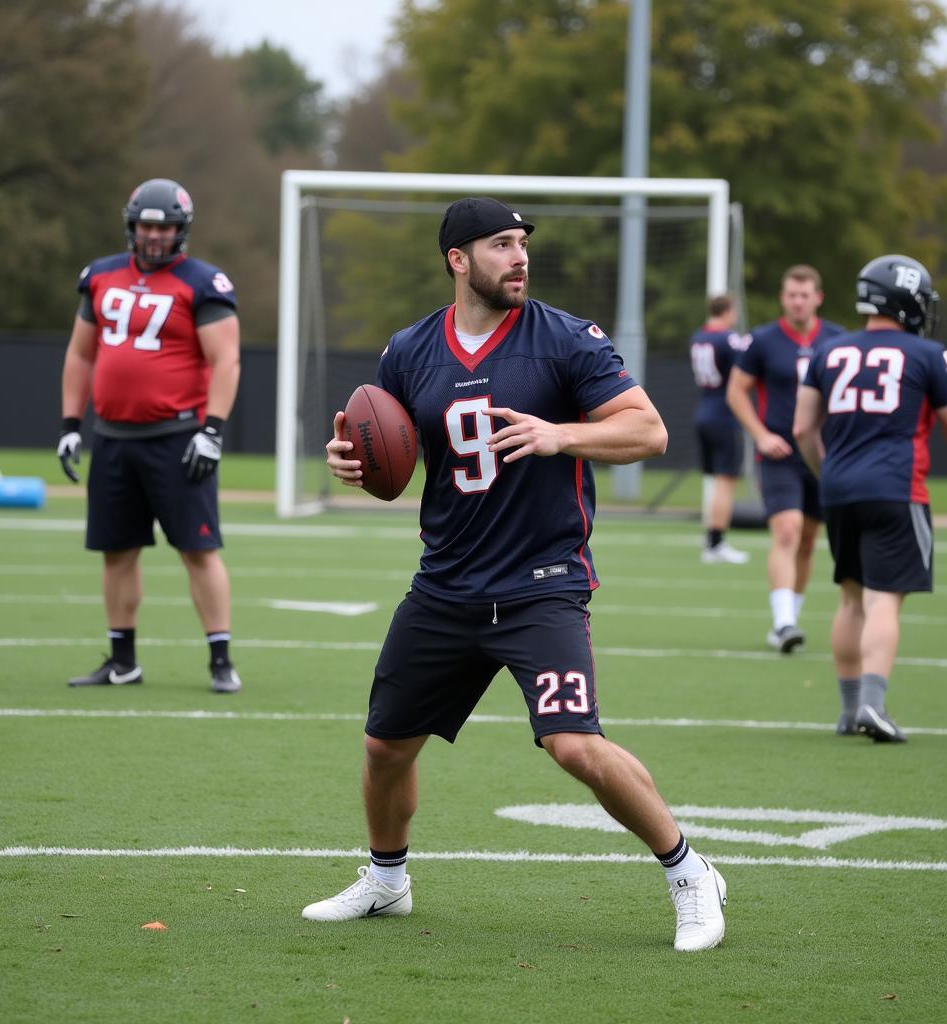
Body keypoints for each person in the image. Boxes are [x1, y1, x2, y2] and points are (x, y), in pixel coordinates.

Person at [301, 197, 727, 952]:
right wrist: (353, 465)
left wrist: (562, 433)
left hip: (541, 581)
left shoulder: (565, 338)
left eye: (523, 243)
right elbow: (392, 457)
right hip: (446, 583)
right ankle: (387, 880)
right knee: (385, 747)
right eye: (501, 244)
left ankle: (689, 871)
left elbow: (650, 430)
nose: (520, 256)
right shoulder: (409, 350)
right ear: (457, 260)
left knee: (573, 744)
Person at [57, 178, 243, 694]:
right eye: (146, 225)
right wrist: (72, 425)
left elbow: (225, 359)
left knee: (198, 549)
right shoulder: (100, 276)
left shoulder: (203, 283)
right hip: (113, 437)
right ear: (131, 225)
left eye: (163, 226)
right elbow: (80, 353)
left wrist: (211, 431)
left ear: (180, 229)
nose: (154, 235)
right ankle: (122, 661)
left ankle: (220, 659)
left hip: (177, 436)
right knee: (117, 551)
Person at [793, 254, 947, 741]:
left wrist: (828, 473)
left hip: (838, 487)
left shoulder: (828, 351)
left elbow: (801, 428)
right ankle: (874, 706)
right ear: (905, 301)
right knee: (885, 600)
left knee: (851, 597)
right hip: (896, 486)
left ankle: (847, 708)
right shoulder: (927, 355)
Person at [726, 265, 844, 653]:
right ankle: (783, 622)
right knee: (788, 531)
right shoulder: (763, 340)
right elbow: (736, 392)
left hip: (821, 453)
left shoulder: (837, 340)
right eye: (792, 294)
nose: (798, 301)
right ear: (783, 298)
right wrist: (760, 435)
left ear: (818, 298)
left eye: (805, 294)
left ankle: (790, 615)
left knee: (809, 540)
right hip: (779, 453)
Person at [689, 294, 750, 564]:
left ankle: (712, 539)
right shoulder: (727, 339)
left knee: (717, 482)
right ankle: (716, 542)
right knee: (726, 483)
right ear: (727, 311)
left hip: (704, 410)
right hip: (725, 414)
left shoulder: (698, 337)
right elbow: (747, 361)